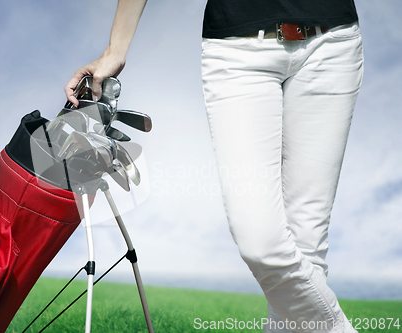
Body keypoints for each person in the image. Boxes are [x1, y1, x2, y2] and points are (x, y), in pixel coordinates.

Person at [66, 1, 364, 332]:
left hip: (333, 45)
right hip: (239, 54)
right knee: (261, 243)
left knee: (307, 253)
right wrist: (115, 49)